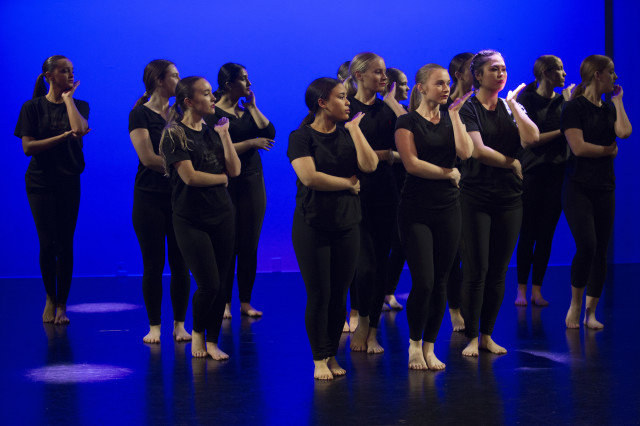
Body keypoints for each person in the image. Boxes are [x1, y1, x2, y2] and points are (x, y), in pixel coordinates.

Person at [288, 77, 378, 380]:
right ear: (322, 103)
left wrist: (355, 130)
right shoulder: (301, 137)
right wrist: (348, 184)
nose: (348, 102)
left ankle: (331, 354)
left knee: (339, 295)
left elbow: (370, 165)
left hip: (347, 223)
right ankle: (318, 358)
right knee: (319, 294)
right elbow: (310, 178)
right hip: (312, 224)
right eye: (341, 97)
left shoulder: (348, 133)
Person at [459, 50, 539, 356]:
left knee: (498, 270)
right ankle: (470, 336)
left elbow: (531, 139)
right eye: (494, 69)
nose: (501, 73)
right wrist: (512, 163)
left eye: (503, 68)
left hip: (509, 198)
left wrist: (515, 106)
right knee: (476, 269)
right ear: (478, 75)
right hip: (476, 195)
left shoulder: (509, 106)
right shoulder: (469, 108)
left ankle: (487, 335)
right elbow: (477, 150)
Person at [396, 64, 474, 370]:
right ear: (421, 87)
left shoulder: (451, 118)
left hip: (448, 208)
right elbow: (411, 164)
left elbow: (465, 153)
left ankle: (430, 346)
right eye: (439, 83)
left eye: (447, 83)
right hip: (416, 209)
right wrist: (448, 173)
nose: (445, 88)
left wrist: (455, 116)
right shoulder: (407, 121)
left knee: (442, 280)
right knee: (425, 282)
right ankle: (414, 345)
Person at [160, 76, 241, 359]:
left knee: (223, 284)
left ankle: (213, 341)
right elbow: (190, 177)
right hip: (190, 219)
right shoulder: (174, 135)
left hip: (222, 214)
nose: (213, 98)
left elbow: (235, 170)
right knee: (209, 284)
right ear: (189, 101)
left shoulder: (212, 132)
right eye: (206, 94)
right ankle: (197, 335)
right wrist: (221, 179)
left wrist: (225, 136)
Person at [15, 55, 90, 325]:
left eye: (72, 70)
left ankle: (62, 305)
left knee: (65, 243)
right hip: (40, 182)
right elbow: (28, 148)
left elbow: (79, 129)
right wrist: (61, 137)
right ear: (49, 76)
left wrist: (68, 99)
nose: (70, 74)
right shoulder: (32, 107)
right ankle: (49, 296)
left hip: (69, 181)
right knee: (47, 244)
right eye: (64, 70)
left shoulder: (80, 105)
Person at [343, 52, 406, 354]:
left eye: (384, 72)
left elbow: (408, 147)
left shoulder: (388, 110)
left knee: (381, 264)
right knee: (364, 265)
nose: (384, 77)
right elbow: (343, 150)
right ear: (359, 75)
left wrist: (392, 103)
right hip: (355, 194)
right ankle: (359, 317)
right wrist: (384, 155)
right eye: (377, 72)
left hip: (385, 193)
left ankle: (372, 329)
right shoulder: (346, 108)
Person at [562, 55, 631, 329]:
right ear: (597, 75)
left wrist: (618, 101)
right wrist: (607, 150)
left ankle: (590, 312)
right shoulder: (573, 108)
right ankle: (575, 305)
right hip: (578, 186)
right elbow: (578, 148)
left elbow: (624, 132)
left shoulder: (609, 108)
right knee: (587, 245)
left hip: (604, 186)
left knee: (601, 249)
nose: (615, 77)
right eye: (611, 72)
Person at [206, 63, 275, 319]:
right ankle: (224, 302)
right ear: (229, 84)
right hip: (226, 182)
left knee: (249, 244)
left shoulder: (246, 111)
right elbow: (216, 147)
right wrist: (251, 143)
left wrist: (253, 107)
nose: (249, 83)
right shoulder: (213, 112)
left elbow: (269, 132)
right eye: (244, 79)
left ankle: (245, 301)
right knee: (226, 244)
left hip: (252, 181)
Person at [129, 60, 191, 343]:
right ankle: (155, 325)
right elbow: (148, 158)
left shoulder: (182, 112)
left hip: (180, 198)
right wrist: (183, 169)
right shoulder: (140, 114)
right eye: (175, 75)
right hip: (149, 198)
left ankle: (180, 325)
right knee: (153, 264)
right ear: (159, 80)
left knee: (181, 263)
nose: (179, 79)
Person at [514, 55, 573, 307]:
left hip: (557, 173)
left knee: (546, 234)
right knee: (527, 232)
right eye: (559, 69)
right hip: (532, 173)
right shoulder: (527, 100)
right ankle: (521, 290)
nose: (564, 74)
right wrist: (562, 131)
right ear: (546, 73)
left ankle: (537, 290)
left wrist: (569, 105)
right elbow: (531, 139)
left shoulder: (563, 101)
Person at [446, 52, 474, 332]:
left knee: (474, 253)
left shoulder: (480, 103)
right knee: (455, 253)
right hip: (453, 183)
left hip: (478, 182)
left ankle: (471, 310)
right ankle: (455, 309)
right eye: (472, 68)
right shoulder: (446, 105)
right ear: (459, 74)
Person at [383, 67, 410, 312]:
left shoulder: (404, 111)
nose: (407, 88)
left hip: (405, 183)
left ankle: (388, 291)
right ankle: (378, 293)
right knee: (385, 242)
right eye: (402, 84)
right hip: (385, 183)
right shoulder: (382, 113)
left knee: (401, 243)